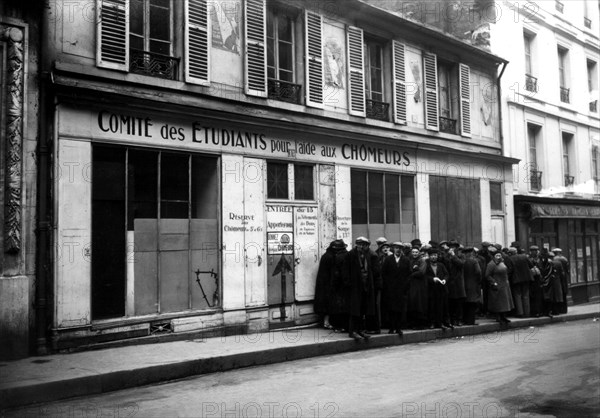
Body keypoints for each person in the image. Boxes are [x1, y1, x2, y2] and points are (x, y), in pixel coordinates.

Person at [346, 237, 378, 340]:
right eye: (359, 244)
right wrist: (349, 285)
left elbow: (369, 270)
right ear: (356, 244)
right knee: (354, 311)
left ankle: (360, 330)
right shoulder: (351, 254)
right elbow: (345, 271)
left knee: (363, 310)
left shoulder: (367, 255)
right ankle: (353, 331)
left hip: (365, 286)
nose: (361, 246)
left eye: (363, 244)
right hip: (355, 287)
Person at [314, 239, 349, 331]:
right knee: (330, 305)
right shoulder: (331, 257)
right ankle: (327, 322)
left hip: (325, 284)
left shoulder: (326, 255)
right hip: (329, 284)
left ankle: (326, 322)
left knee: (327, 304)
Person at [381, 242, 410, 336]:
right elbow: (384, 273)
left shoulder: (405, 260)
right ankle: (391, 327)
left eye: (400, 248)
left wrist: (405, 286)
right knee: (391, 309)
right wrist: (387, 285)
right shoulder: (388, 259)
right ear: (393, 249)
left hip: (401, 289)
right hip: (390, 289)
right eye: (396, 248)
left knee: (399, 309)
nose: (398, 250)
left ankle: (398, 328)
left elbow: (408, 274)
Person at [423, 248, 452, 330]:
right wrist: (432, 279)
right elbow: (424, 276)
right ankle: (432, 323)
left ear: (437, 256)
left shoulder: (441, 265)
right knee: (432, 306)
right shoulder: (426, 265)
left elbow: (447, 274)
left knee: (442, 307)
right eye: (431, 255)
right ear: (429, 256)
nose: (433, 257)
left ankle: (441, 322)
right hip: (431, 289)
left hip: (441, 289)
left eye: (435, 255)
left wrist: (444, 280)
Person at [485, 248, 514, 324]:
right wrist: (493, 282)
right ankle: (498, 317)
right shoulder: (491, 264)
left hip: (504, 285)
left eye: (500, 255)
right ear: (494, 256)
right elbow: (487, 275)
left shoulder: (502, 262)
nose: (499, 257)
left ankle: (503, 317)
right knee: (498, 303)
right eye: (497, 255)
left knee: (505, 303)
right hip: (497, 285)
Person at [508, 242, 533, 318]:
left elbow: (510, 270)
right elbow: (531, 265)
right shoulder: (524, 256)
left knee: (517, 295)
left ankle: (520, 313)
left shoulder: (510, 259)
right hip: (526, 278)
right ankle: (527, 312)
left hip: (516, 279)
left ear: (510, 253)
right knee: (525, 295)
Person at [406, 245, 428, 330]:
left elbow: (421, 272)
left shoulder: (422, 261)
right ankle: (413, 323)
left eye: (416, 252)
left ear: (419, 253)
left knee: (419, 304)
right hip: (412, 285)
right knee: (413, 303)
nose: (414, 254)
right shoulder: (410, 260)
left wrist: (414, 271)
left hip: (420, 285)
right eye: (413, 252)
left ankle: (420, 324)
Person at [462, 247, 482, 325]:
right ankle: (471, 321)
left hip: (464, 284)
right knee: (472, 303)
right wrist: (479, 281)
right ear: (471, 253)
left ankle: (465, 320)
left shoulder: (462, 261)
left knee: (466, 303)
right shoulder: (474, 261)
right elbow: (478, 272)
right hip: (473, 284)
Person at [540, 251, 563, 318]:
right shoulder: (558, 262)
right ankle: (556, 310)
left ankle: (549, 310)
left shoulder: (547, 263)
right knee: (556, 296)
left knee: (550, 297)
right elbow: (562, 273)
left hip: (549, 282)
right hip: (557, 281)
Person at [552, 248, 570, 314]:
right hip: (564, 278)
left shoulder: (554, 259)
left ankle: (559, 309)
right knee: (564, 294)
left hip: (557, 278)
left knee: (558, 295)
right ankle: (564, 310)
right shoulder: (565, 259)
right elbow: (568, 270)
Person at [528, 245, 544, 317]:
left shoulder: (530, 259)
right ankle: (538, 311)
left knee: (535, 296)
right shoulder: (539, 259)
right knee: (537, 297)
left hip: (534, 280)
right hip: (536, 279)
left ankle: (536, 311)